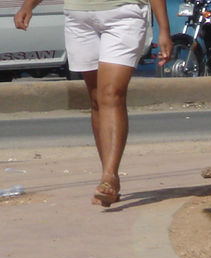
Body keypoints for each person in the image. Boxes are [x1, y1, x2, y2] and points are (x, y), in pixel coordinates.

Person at [14, 0, 173, 207]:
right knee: (97, 99)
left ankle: (109, 177)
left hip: (124, 13)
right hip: (79, 17)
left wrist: (164, 30)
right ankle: (108, 178)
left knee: (112, 94)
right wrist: (28, 6)